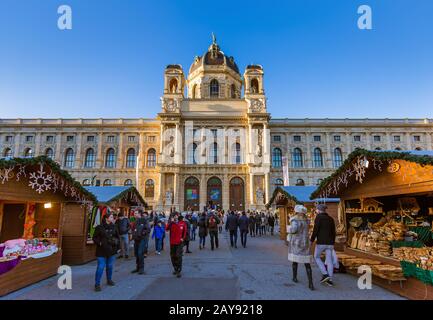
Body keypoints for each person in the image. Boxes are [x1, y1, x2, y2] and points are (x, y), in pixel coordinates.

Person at [287, 205, 314, 291]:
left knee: (295, 260)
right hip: (305, 242)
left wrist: (289, 228)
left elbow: (294, 229)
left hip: (296, 243)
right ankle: (310, 283)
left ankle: (294, 277)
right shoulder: (306, 220)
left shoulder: (295, 219)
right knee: (307, 263)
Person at [310, 204, 336, 286]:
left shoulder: (318, 217)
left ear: (319, 210)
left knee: (316, 257)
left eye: (316, 209)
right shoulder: (331, 219)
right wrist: (333, 242)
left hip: (321, 242)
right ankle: (330, 280)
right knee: (329, 260)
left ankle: (325, 274)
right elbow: (334, 232)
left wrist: (312, 240)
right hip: (330, 243)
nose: (316, 211)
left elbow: (315, 230)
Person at [92, 212, 119, 292]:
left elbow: (117, 237)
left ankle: (109, 280)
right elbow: (94, 237)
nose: (112, 218)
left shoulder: (114, 226)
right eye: (111, 217)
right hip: (101, 250)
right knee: (100, 267)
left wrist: (118, 247)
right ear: (106, 218)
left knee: (110, 266)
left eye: (112, 217)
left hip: (111, 250)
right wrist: (100, 243)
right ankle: (97, 284)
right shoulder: (99, 227)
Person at [166, 212, 188, 278]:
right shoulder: (171, 223)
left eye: (176, 216)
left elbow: (185, 231)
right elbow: (166, 229)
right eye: (174, 216)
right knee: (173, 256)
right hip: (172, 242)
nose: (175, 217)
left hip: (179, 242)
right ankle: (175, 268)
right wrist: (170, 222)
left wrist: (182, 239)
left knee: (178, 256)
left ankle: (179, 270)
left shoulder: (182, 223)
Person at [131, 211, 150, 275]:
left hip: (142, 239)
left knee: (140, 253)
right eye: (134, 213)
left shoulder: (144, 220)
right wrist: (133, 234)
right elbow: (133, 229)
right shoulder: (135, 221)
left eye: (136, 213)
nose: (134, 214)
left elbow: (148, 229)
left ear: (139, 214)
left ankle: (141, 268)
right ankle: (138, 267)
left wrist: (142, 233)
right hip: (136, 239)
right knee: (136, 253)